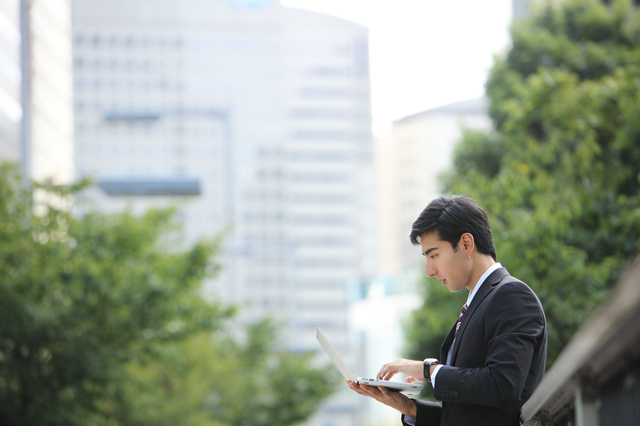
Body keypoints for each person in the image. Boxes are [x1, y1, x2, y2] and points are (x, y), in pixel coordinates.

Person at [348, 195, 547, 426]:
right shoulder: (478, 302)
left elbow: (503, 386)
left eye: (434, 255)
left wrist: (430, 370)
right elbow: (468, 414)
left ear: (465, 244)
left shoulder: (511, 295)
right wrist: (409, 407)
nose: (429, 270)